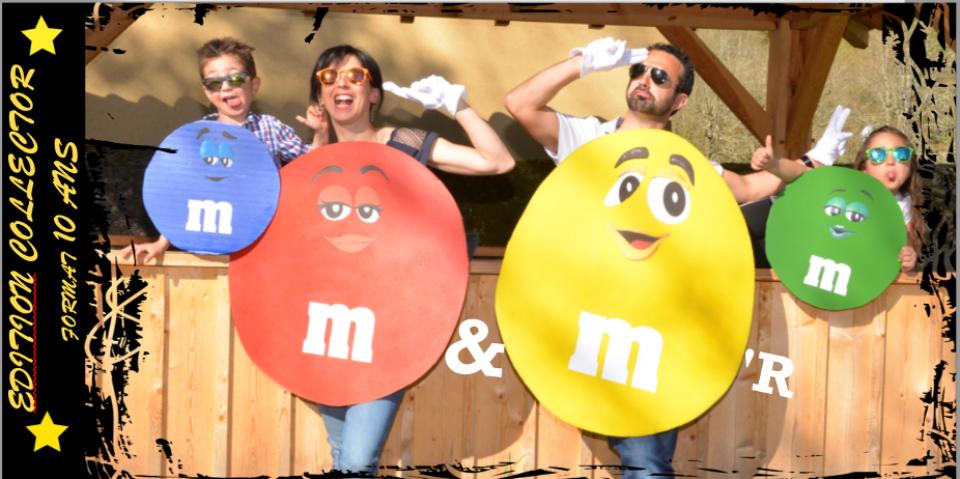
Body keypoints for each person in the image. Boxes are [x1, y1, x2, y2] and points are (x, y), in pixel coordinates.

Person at [502, 37, 798, 478]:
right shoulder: (587, 140)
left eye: (659, 77)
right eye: (639, 71)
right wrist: (582, 64)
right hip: (585, 325)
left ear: (679, 101)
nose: (645, 80)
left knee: (645, 459)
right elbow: (520, 103)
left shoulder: (689, 166)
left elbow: (753, 187)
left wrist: (793, 164)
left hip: (654, 334)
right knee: (644, 460)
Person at [299, 44, 514, 475]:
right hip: (330, 325)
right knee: (343, 456)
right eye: (329, 78)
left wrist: (458, 105)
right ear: (319, 96)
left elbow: (498, 161)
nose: (341, 84)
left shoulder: (403, 143)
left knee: (356, 460)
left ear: (374, 94)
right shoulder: (314, 162)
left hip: (391, 329)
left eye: (355, 76)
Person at [121, 37, 324, 262]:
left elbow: (312, 164)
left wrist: (320, 133)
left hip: (265, 246)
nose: (226, 87)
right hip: (213, 249)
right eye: (214, 83)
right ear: (206, 92)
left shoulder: (270, 128)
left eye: (236, 78)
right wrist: (161, 243)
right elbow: (184, 194)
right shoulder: (196, 137)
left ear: (254, 85)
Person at [752, 123, 924, 272]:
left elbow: (905, 246)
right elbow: (802, 174)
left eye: (902, 154)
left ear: (910, 165)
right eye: (878, 154)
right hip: (785, 246)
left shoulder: (902, 204)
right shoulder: (846, 188)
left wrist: (908, 258)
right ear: (864, 168)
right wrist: (773, 164)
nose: (891, 161)